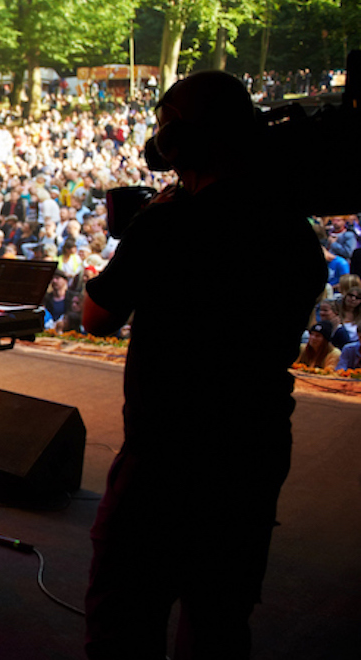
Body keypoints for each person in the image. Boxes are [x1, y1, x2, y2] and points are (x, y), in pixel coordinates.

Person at [81, 71, 326, 659]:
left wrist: (137, 236)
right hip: (255, 444)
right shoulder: (293, 231)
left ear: (176, 147)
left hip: (168, 452)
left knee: (124, 611)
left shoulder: (168, 224)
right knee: (219, 615)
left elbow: (95, 317)